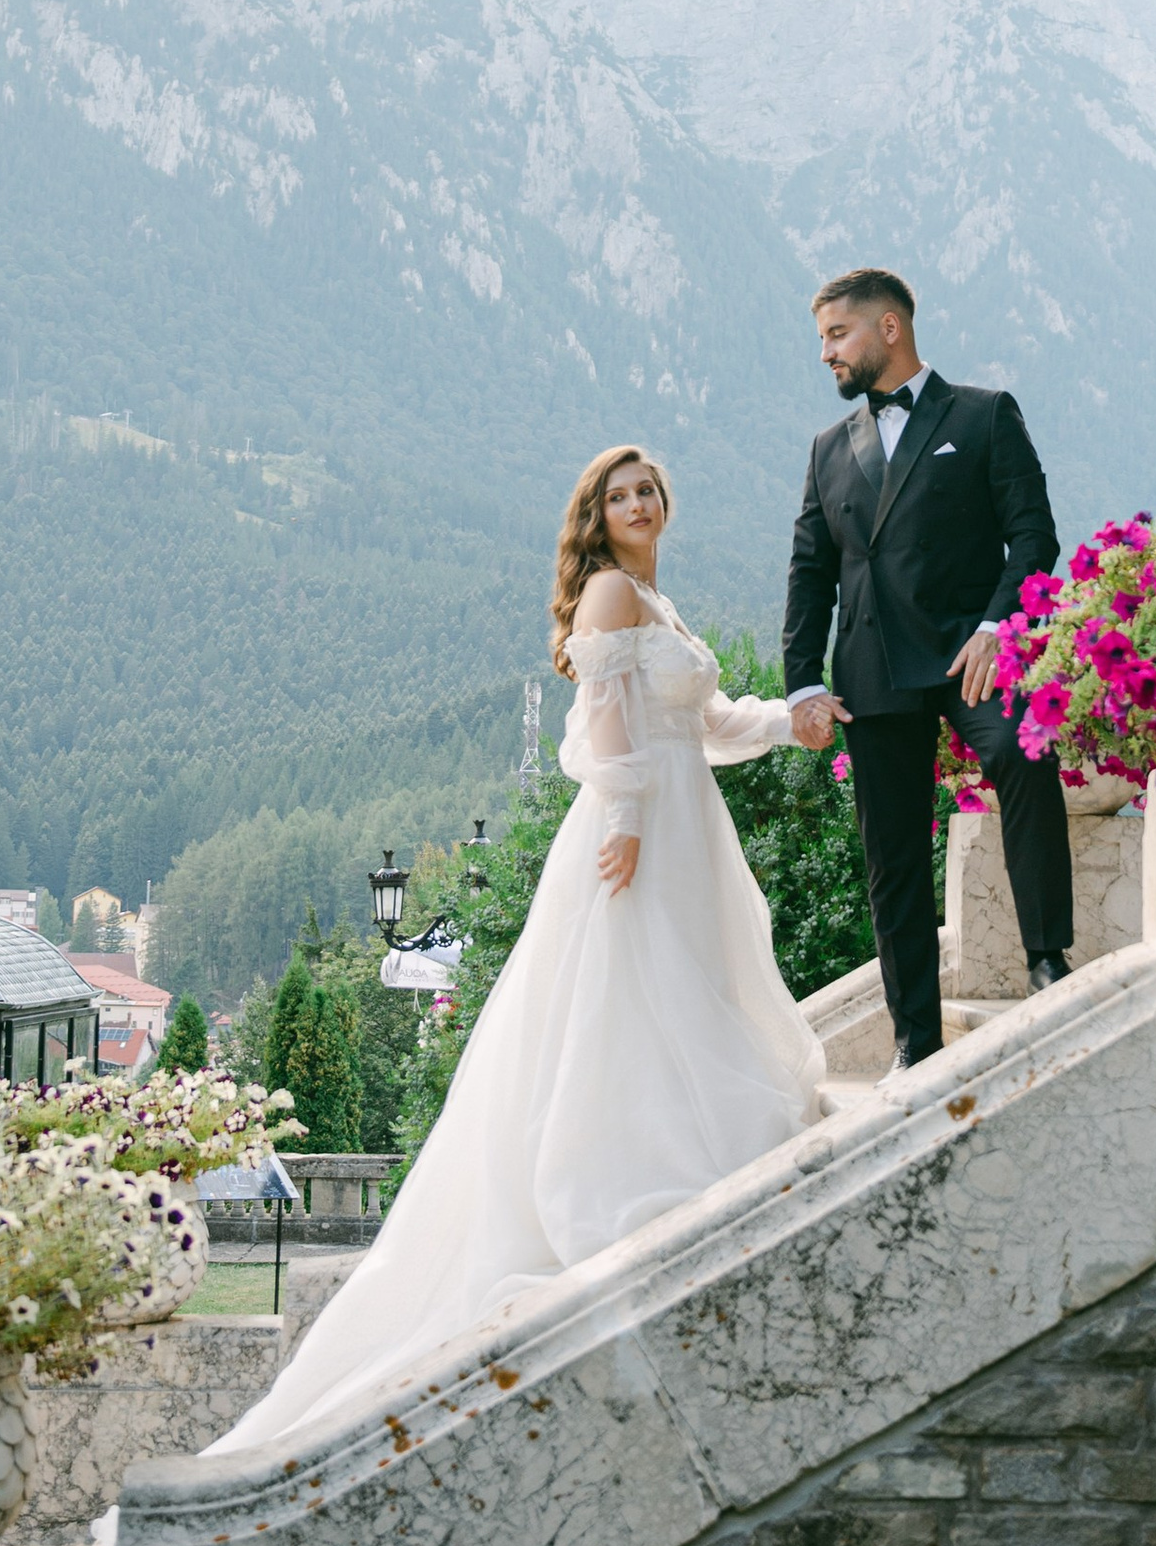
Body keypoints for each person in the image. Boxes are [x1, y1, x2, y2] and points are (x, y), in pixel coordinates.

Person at [206, 446, 822, 1453]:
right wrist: (626, 818)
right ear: (597, 515)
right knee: (625, 992)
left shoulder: (658, 603)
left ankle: (678, 1135)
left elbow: (705, 721)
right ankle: (618, 1172)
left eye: (648, 490)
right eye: (620, 495)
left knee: (681, 986)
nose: (638, 503)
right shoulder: (610, 593)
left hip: (686, 822)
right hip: (637, 828)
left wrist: (789, 722)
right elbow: (602, 726)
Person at [783, 268, 1074, 1067]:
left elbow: (1034, 536)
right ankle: (915, 1040)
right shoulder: (828, 448)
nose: (826, 353)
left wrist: (999, 627)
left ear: (889, 327)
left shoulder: (984, 413)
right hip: (871, 667)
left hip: (967, 654)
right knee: (895, 857)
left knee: (1021, 753)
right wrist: (802, 683)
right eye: (821, 338)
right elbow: (810, 571)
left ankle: (1048, 958)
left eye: (837, 334)